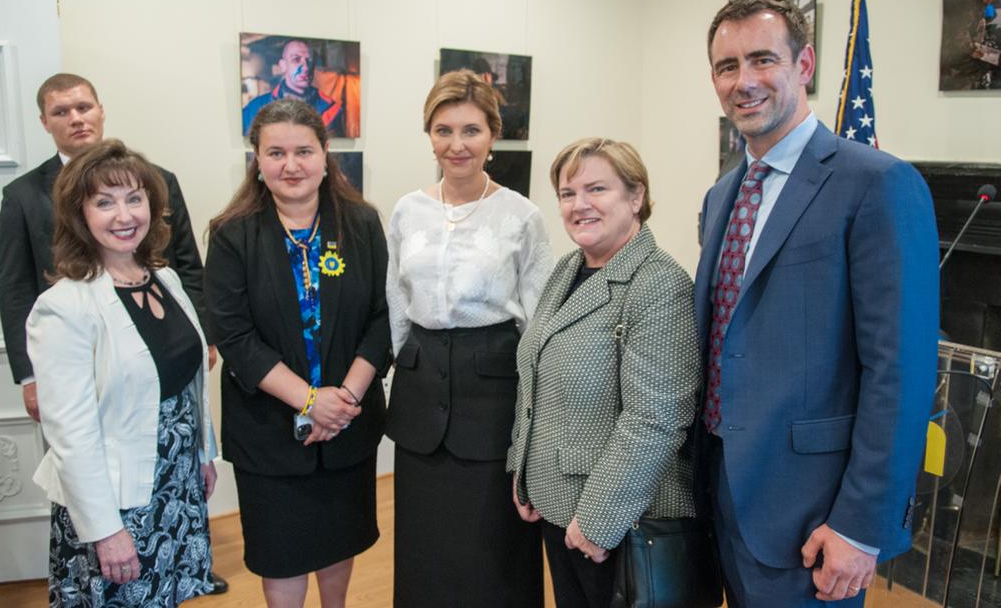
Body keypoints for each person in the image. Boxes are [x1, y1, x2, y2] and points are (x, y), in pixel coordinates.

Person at [696, 0, 939, 606]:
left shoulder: (878, 184)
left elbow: (901, 371)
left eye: (762, 60)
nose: (743, 82)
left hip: (812, 516)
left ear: (803, 66)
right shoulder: (721, 195)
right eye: (727, 67)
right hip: (717, 492)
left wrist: (863, 524)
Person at [0, 73, 229, 594]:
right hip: (114, 499)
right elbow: (72, 435)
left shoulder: (165, 280)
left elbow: (187, 388)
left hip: (172, 479)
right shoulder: (63, 307)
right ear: (79, 215)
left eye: (134, 200)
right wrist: (104, 529)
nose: (124, 216)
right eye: (104, 204)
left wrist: (200, 455)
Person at [206, 99, 390, 608]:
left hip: (348, 424)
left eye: (304, 151)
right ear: (257, 160)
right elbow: (235, 335)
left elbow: (384, 318)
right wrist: (311, 401)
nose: (291, 165)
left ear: (326, 153)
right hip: (268, 430)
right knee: (281, 552)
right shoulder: (231, 234)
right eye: (276, 152)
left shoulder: (361, 224)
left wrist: (344, 400)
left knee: (338, 540)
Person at [508, 137, 702, 608]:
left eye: (597, 189)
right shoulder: (569, 266)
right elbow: (534, 372)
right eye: (568, 193)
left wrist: (597, 520)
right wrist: (523, 470)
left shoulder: (659, 284)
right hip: (556, 504)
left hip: (618, 523)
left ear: (636, 197)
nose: (580, 205)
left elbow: (655, 420)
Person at [385, 69, 552, 608]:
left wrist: (536, 410)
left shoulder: (521, 216)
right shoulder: (408, 211)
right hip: (421, 388)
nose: (457, 145)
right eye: (443, 130)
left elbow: (539, 316)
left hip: (494, 390)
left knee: (493, 545)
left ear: (492, 136)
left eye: (471, 130)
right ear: (429, 135)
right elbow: (395, 305)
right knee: (423, 546)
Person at [241, 38, 344, 137]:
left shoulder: (331, 110)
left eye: (309, 60)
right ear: (283, 65)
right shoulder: (255, 108)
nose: (306, 67)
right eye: (296, 59)